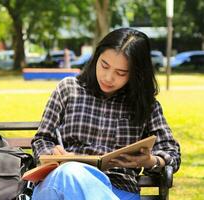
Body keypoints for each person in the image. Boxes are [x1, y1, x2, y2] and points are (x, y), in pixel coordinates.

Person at [31, 28, 181, 200]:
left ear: (136, 74)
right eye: (104, 65)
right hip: (59, 182)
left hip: (117, 188)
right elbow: (42, 139)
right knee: (69, 172)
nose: (108, 77)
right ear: (96, 57)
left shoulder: (146, 105)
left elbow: (172, 153)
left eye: (121, 73)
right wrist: (51, 154)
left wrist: (151, 161)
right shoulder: (68, 89)